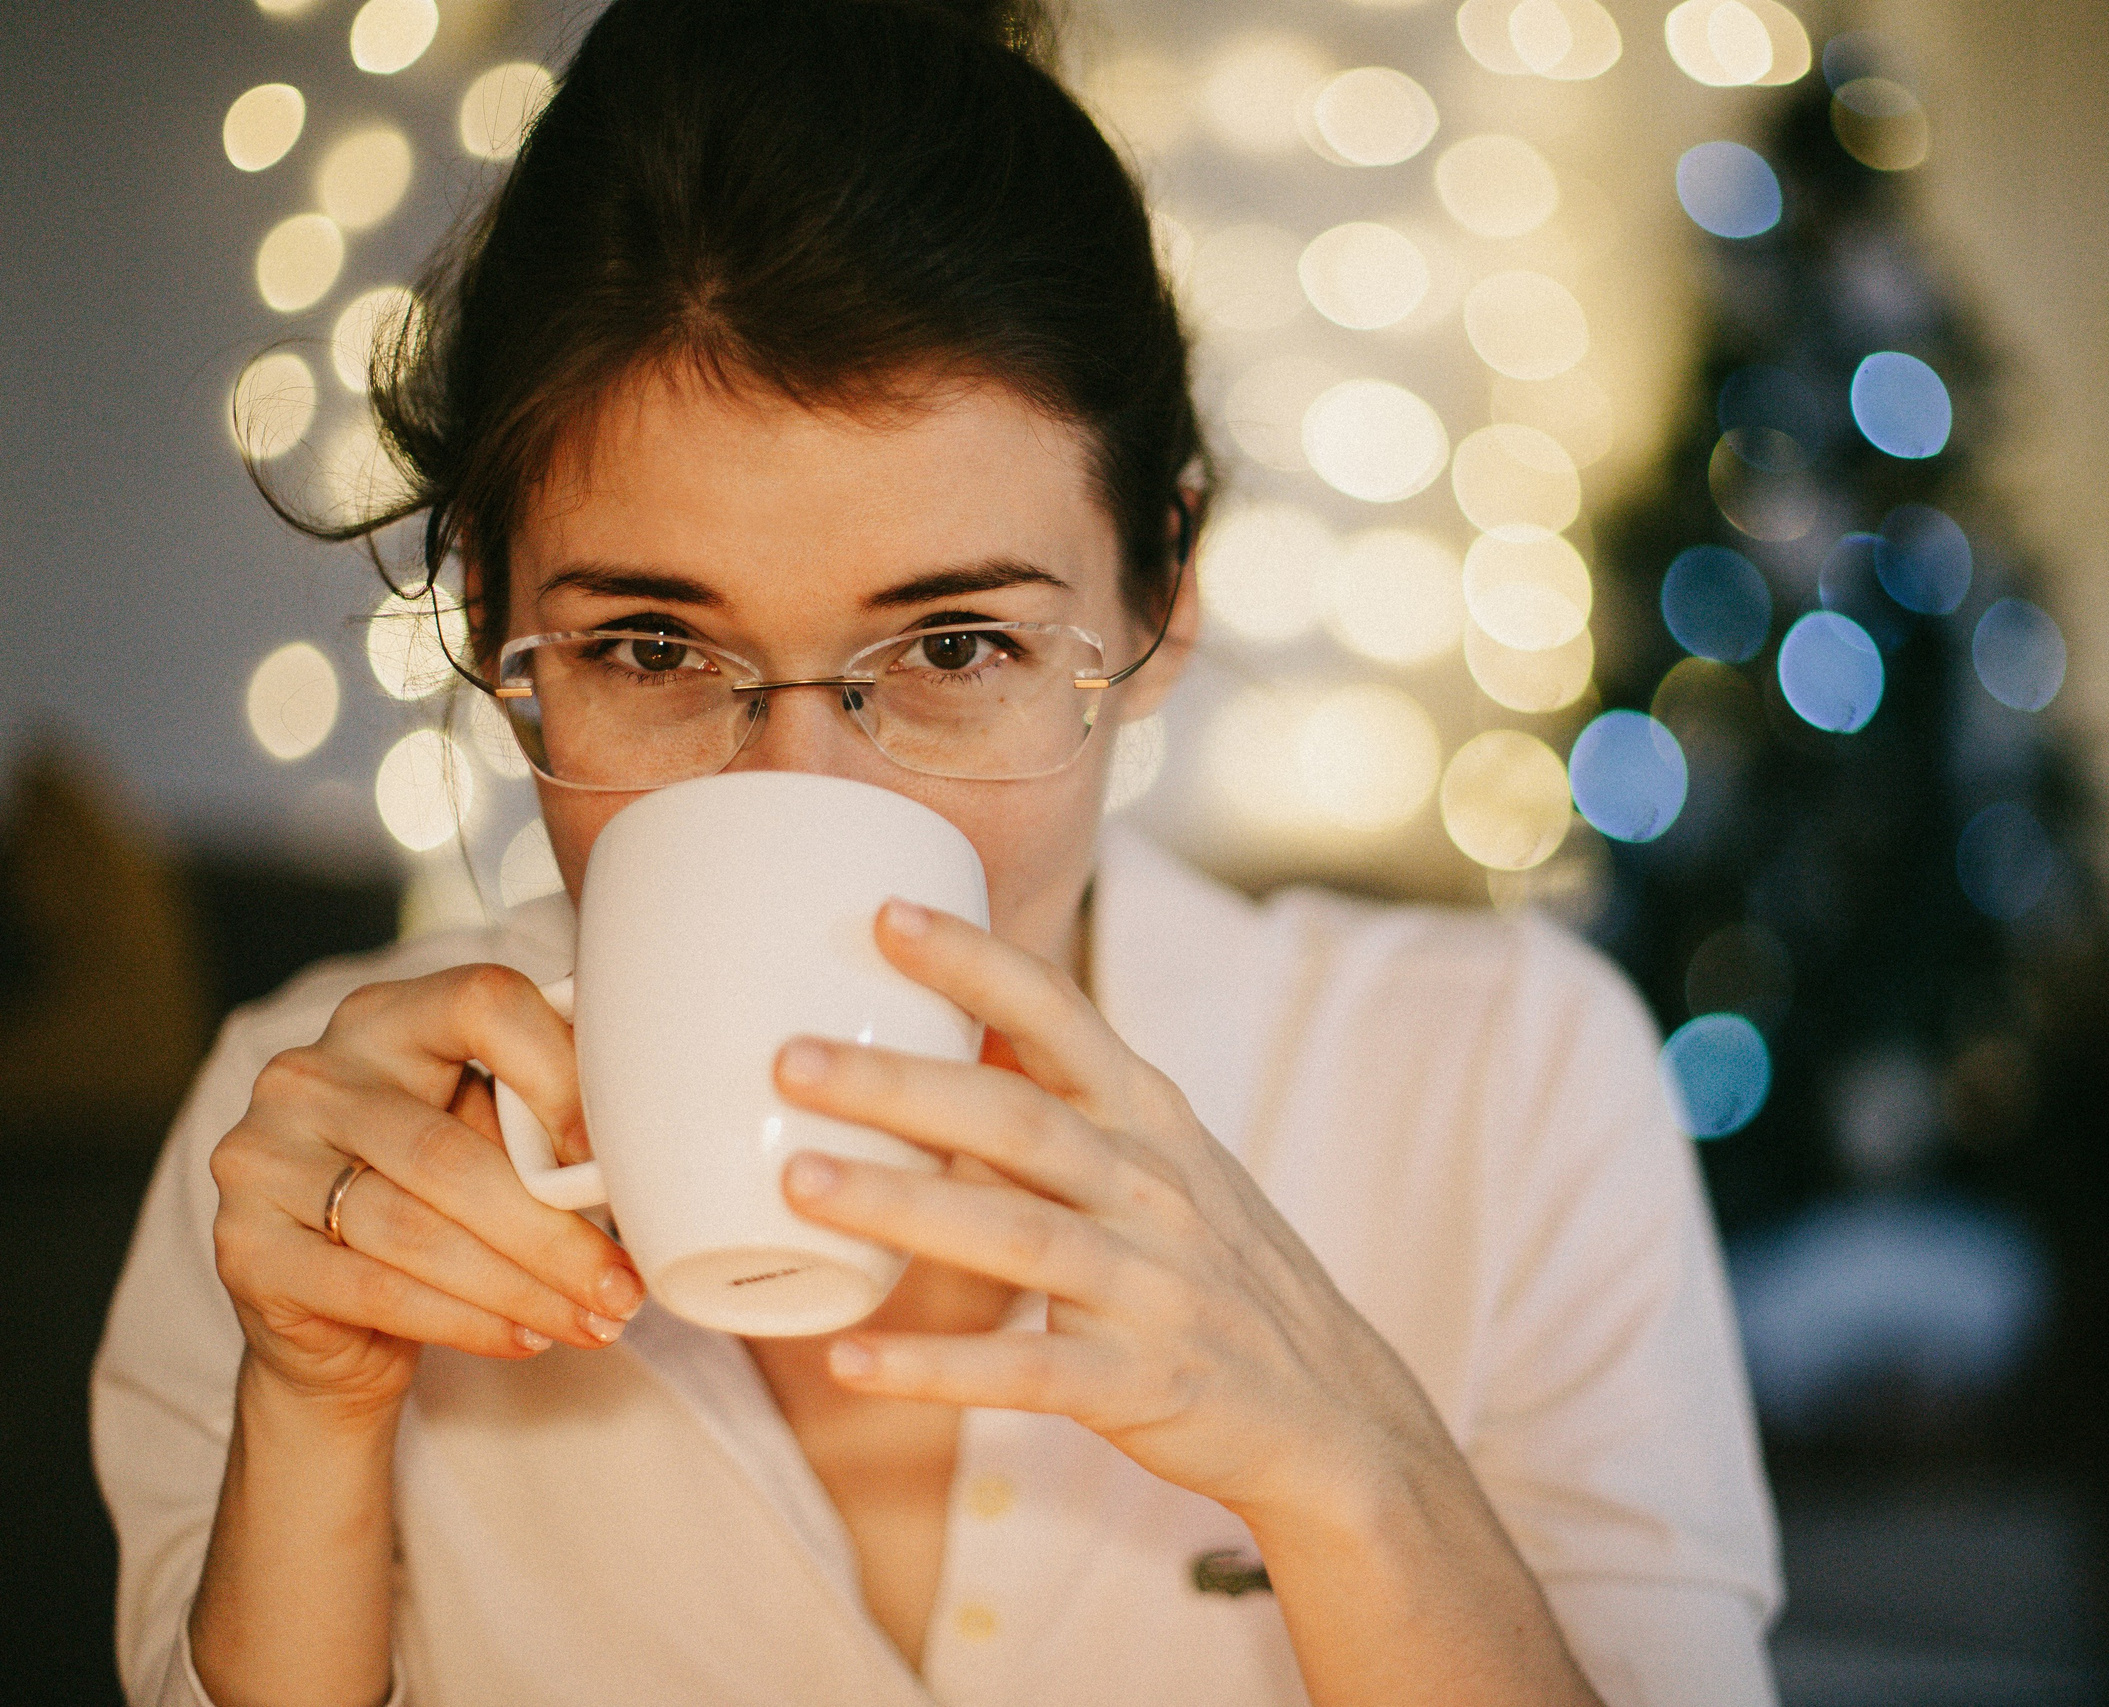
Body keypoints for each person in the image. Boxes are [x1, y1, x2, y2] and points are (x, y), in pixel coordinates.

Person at [91, 2, 1779, 1702]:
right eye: (654, 653)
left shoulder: (1500, 1086)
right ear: (490, 614)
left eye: (957, 648)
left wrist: (1348, 1473)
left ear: (1161, 592)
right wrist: (313, 1412)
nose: (808, 794)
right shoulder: (307, 1149)